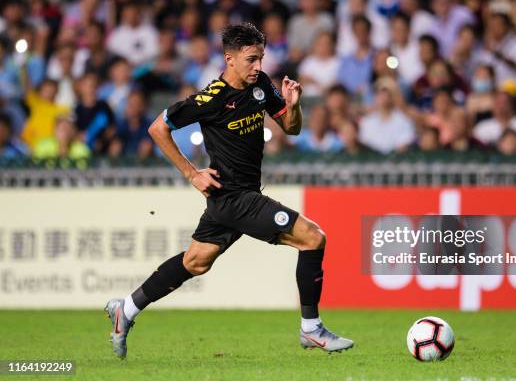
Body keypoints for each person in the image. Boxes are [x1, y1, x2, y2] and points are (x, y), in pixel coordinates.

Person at [104, 23, 353, 359]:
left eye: (261, 58)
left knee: (196, 261)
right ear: (229, 59)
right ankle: (311, 329)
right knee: (313, 237)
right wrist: (192, 174)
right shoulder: (212, 98)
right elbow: (158, 127)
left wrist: (293, 106)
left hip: (232, 197)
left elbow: (291, 129)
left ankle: (127, 309)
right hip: (236, 198)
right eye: (251, 59)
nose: (258, 67)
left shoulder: (262, 85)